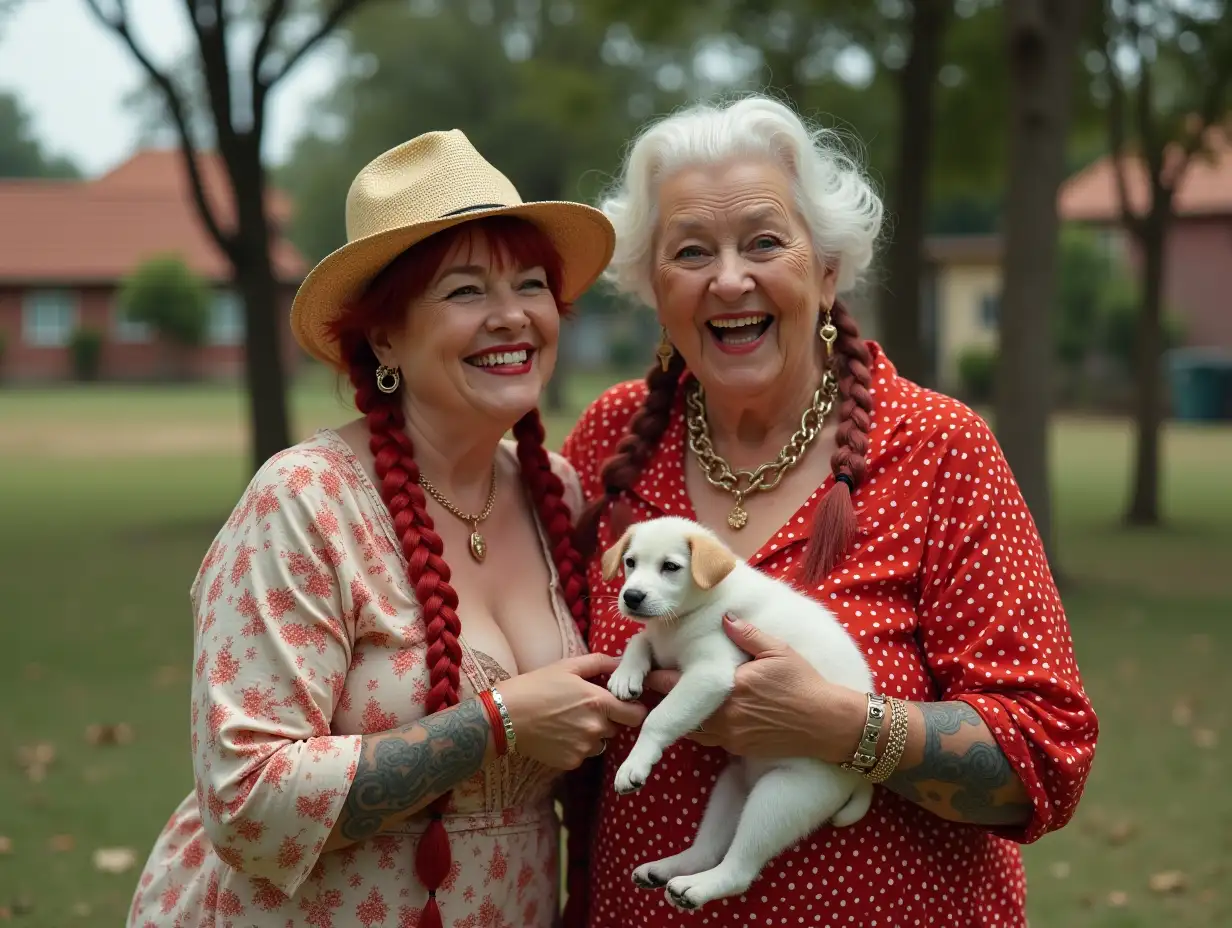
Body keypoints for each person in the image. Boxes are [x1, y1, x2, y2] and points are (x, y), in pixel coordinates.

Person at [562, 94, 1099, 927]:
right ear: (652, 286)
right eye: (691, 251)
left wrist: (844, 725)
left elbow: (1045, 754)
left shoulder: (938, 447)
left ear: (826, 267)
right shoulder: (611, 438)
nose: (730, 278)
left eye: (765, 242)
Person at [127, 130, 645, 928]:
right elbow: (245, 803)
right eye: (465, 291)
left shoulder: (555, 492)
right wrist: (495, 724)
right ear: (385, 336)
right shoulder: (304, 503)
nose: (511, 317)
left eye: (531, 284)